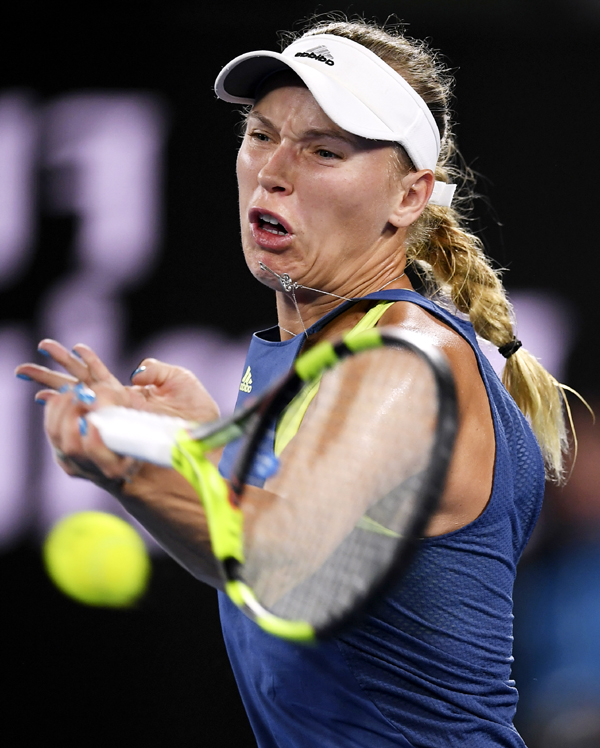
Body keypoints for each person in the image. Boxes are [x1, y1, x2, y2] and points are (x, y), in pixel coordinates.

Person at [17, 18, 569, 748]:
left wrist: (131, 465)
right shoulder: (318, 352)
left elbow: (278, 559)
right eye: (261, 134)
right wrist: (202, 446)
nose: (274, 170)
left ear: (410, 197)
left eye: (324, 151)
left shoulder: (408, 362)